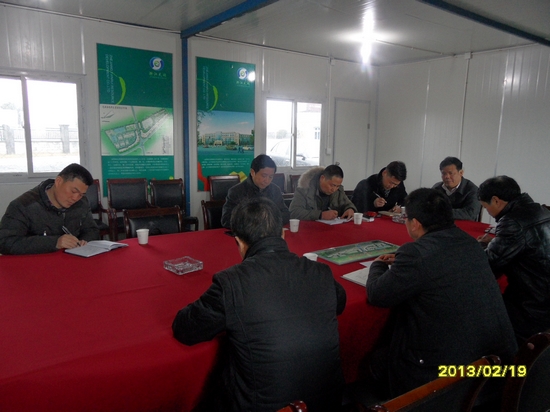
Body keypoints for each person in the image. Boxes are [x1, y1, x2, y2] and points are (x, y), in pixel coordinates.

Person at [172, 197, 346, 412]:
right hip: (328, 404)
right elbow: (340, 302)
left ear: (239, 243)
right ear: (283, 234)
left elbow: (185, 328)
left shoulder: (232, 282)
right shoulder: (320, 272)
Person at [366, 188, 517, 397]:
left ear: (415, 223)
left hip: (449, 375)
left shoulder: (416, 253)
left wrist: (378, 265)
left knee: (377, 361)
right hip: (498, 364)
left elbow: (377, 294)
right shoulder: (470, 243)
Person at [477, 176, 550, 344]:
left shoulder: (513, 221)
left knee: (479, 309)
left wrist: (477, 248)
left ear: (496, 201)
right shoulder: (541, 210)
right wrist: (494, 243)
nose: (488, 212)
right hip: (544, 295)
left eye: (486, 207)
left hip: (531, 306)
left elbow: (490, 265)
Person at [0, 163, 99, 255]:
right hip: (36, 262)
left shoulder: (81, 203)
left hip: (71, 260)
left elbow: (91, 230)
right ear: (59, 181)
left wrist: (84, 241)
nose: (75, 198)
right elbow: (5, 242)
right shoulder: (23, 205)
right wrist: (55, 242)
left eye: (81, 194)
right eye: (73, 191)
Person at [221, 154, 290, 228]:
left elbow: (285, 214)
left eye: (270, 177)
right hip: (247, 233)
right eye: (264, 176)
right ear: (252, 172)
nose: (267, 181)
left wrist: (268, 220)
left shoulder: (275, 190)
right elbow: (226, 220)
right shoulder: (236, 191)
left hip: (270, 231)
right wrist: (257, 221)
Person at [289, 164, 356, 221]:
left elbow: (348, 204)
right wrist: (320, 215)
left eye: (338, 186)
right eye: (332, 185)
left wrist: (350, 209)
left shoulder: (338, 190)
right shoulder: (304, 189)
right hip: (309, 228)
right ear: (322, 178)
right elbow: (294, 212)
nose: (334, 189)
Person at [431, 156, 481, 221]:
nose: (447, 177)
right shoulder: (437, 188)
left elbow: (470, 213)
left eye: (450, 173)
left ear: (461, 173)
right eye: (443, 173)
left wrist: (444, 212)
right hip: (440, 224)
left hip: (462, 225)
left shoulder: (472, 190)